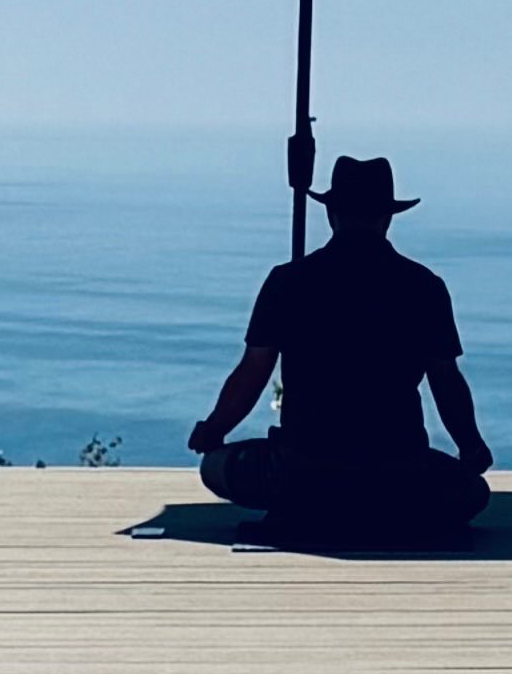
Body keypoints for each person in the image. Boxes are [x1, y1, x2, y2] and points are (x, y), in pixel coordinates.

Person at [188, 156, 495, 547]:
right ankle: (388, 515)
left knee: (214, 468)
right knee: (472, 492)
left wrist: (214, 429)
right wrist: (471, 446)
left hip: (300, 471)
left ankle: (312, 511)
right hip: (397, 472)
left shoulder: (287, 282)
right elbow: (446, 381)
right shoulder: (423, 287)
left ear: (332, 213)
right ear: (387, 216)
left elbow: (252, 374)